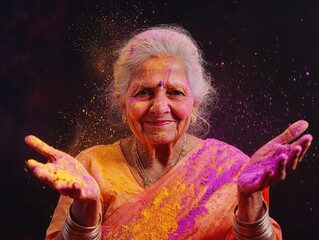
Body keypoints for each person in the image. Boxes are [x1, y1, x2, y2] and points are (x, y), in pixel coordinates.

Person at [25, 26, 313, 240]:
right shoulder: (91, 167)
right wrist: (85, 211)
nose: (160, 107)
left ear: (195, 105)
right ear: (122, 104)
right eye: (144, 92)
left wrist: (249, 199)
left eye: (175, 92)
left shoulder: (231, 169)